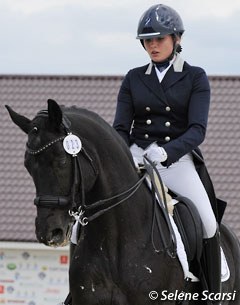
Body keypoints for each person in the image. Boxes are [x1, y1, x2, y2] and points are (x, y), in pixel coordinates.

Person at [113, 3, 221, 300]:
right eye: (148, 40)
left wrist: (167, 152)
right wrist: (128, 152)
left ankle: (212, 292)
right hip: (136, 160)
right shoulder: (133, 78)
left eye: (159, 39)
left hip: (174, 161)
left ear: (177, 39)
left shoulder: (195, 77)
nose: (153, 45)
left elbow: (197, 129)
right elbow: (120, 127)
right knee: (91, 213)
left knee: (209, 224)